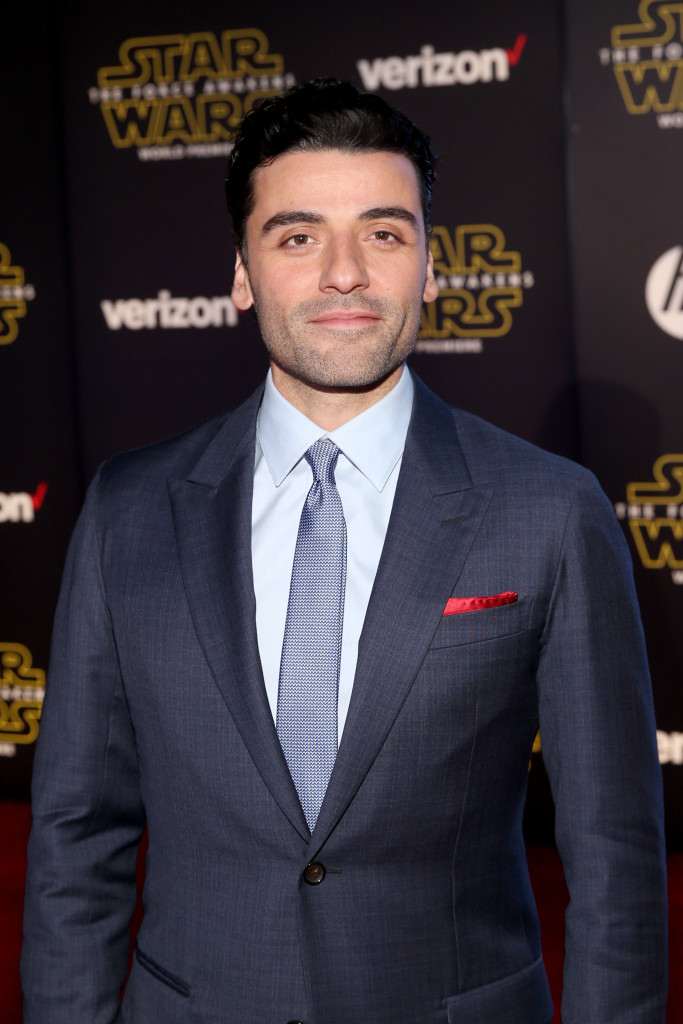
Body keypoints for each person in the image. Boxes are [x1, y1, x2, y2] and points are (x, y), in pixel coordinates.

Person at [21, 79, 667, 1024]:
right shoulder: (130, 508)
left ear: (430, 266)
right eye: (296, 237)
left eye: (383, 232)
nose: (343, 273)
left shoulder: (549, 509)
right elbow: (79, 834)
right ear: (242, 273)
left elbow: (615, 854)